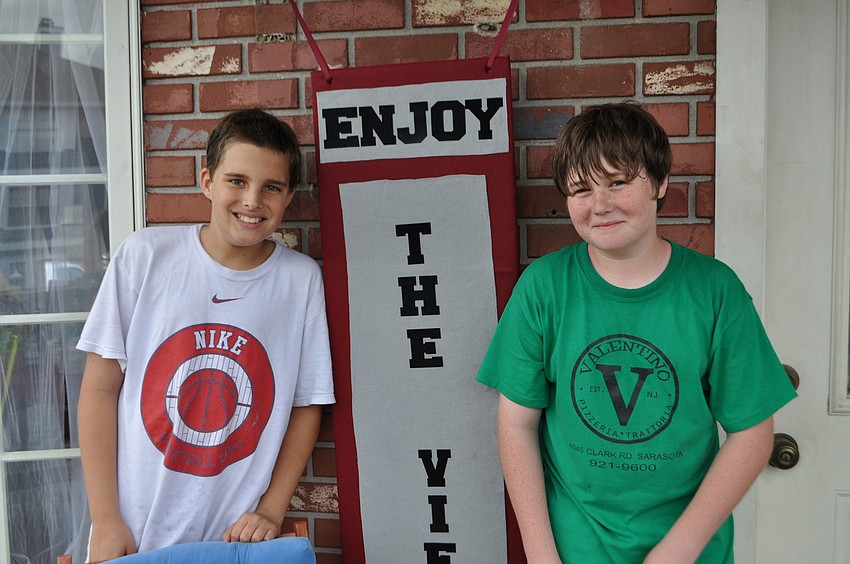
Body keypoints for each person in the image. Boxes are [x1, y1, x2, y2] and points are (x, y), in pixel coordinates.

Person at [476, 102, 796, 563]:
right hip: (573, 547)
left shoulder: (714, 291)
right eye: (581, 189)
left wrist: (679, 550)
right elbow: (517, 423)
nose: (599, 205)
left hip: (689, 549)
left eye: (618, 182)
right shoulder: (544, 288)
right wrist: (542, 555)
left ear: (661, 182)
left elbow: (751, 432)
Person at [77, 109, 335, 561]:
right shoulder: (144, 256)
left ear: (289, 196)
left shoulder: (300, 280)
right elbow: (99, 389)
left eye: (271, 187)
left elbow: (307, 403)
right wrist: (105, 518)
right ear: (207, 182)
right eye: (236, 181)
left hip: (233, 539)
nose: (252, 200)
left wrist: (272, 510)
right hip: (136, 532)